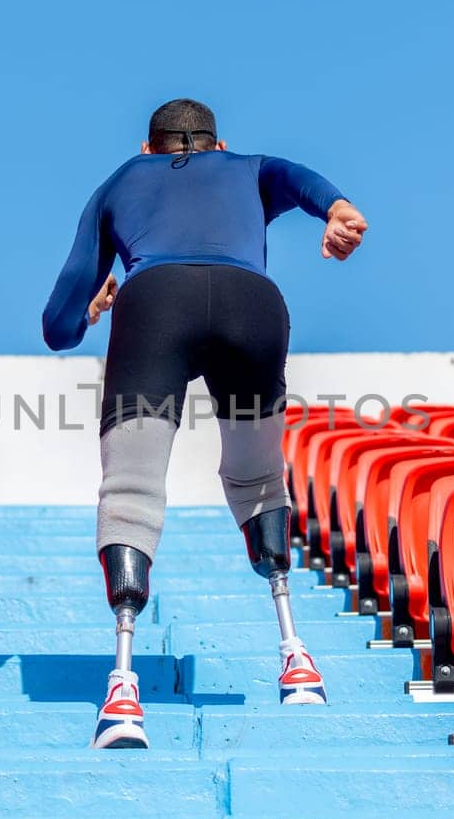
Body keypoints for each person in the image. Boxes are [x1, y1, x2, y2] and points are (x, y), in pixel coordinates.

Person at [42, 98, 368, 749]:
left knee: (131, 487)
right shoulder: (248, 167)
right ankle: (296, 658)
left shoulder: (118, 182)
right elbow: (302, 180)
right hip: (254, 307)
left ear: (147, 149)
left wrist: (96, 304)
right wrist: (336, 210)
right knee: (256, 478)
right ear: (219, 147)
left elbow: (57, 326)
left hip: (155, 304)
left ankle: (123, 689)